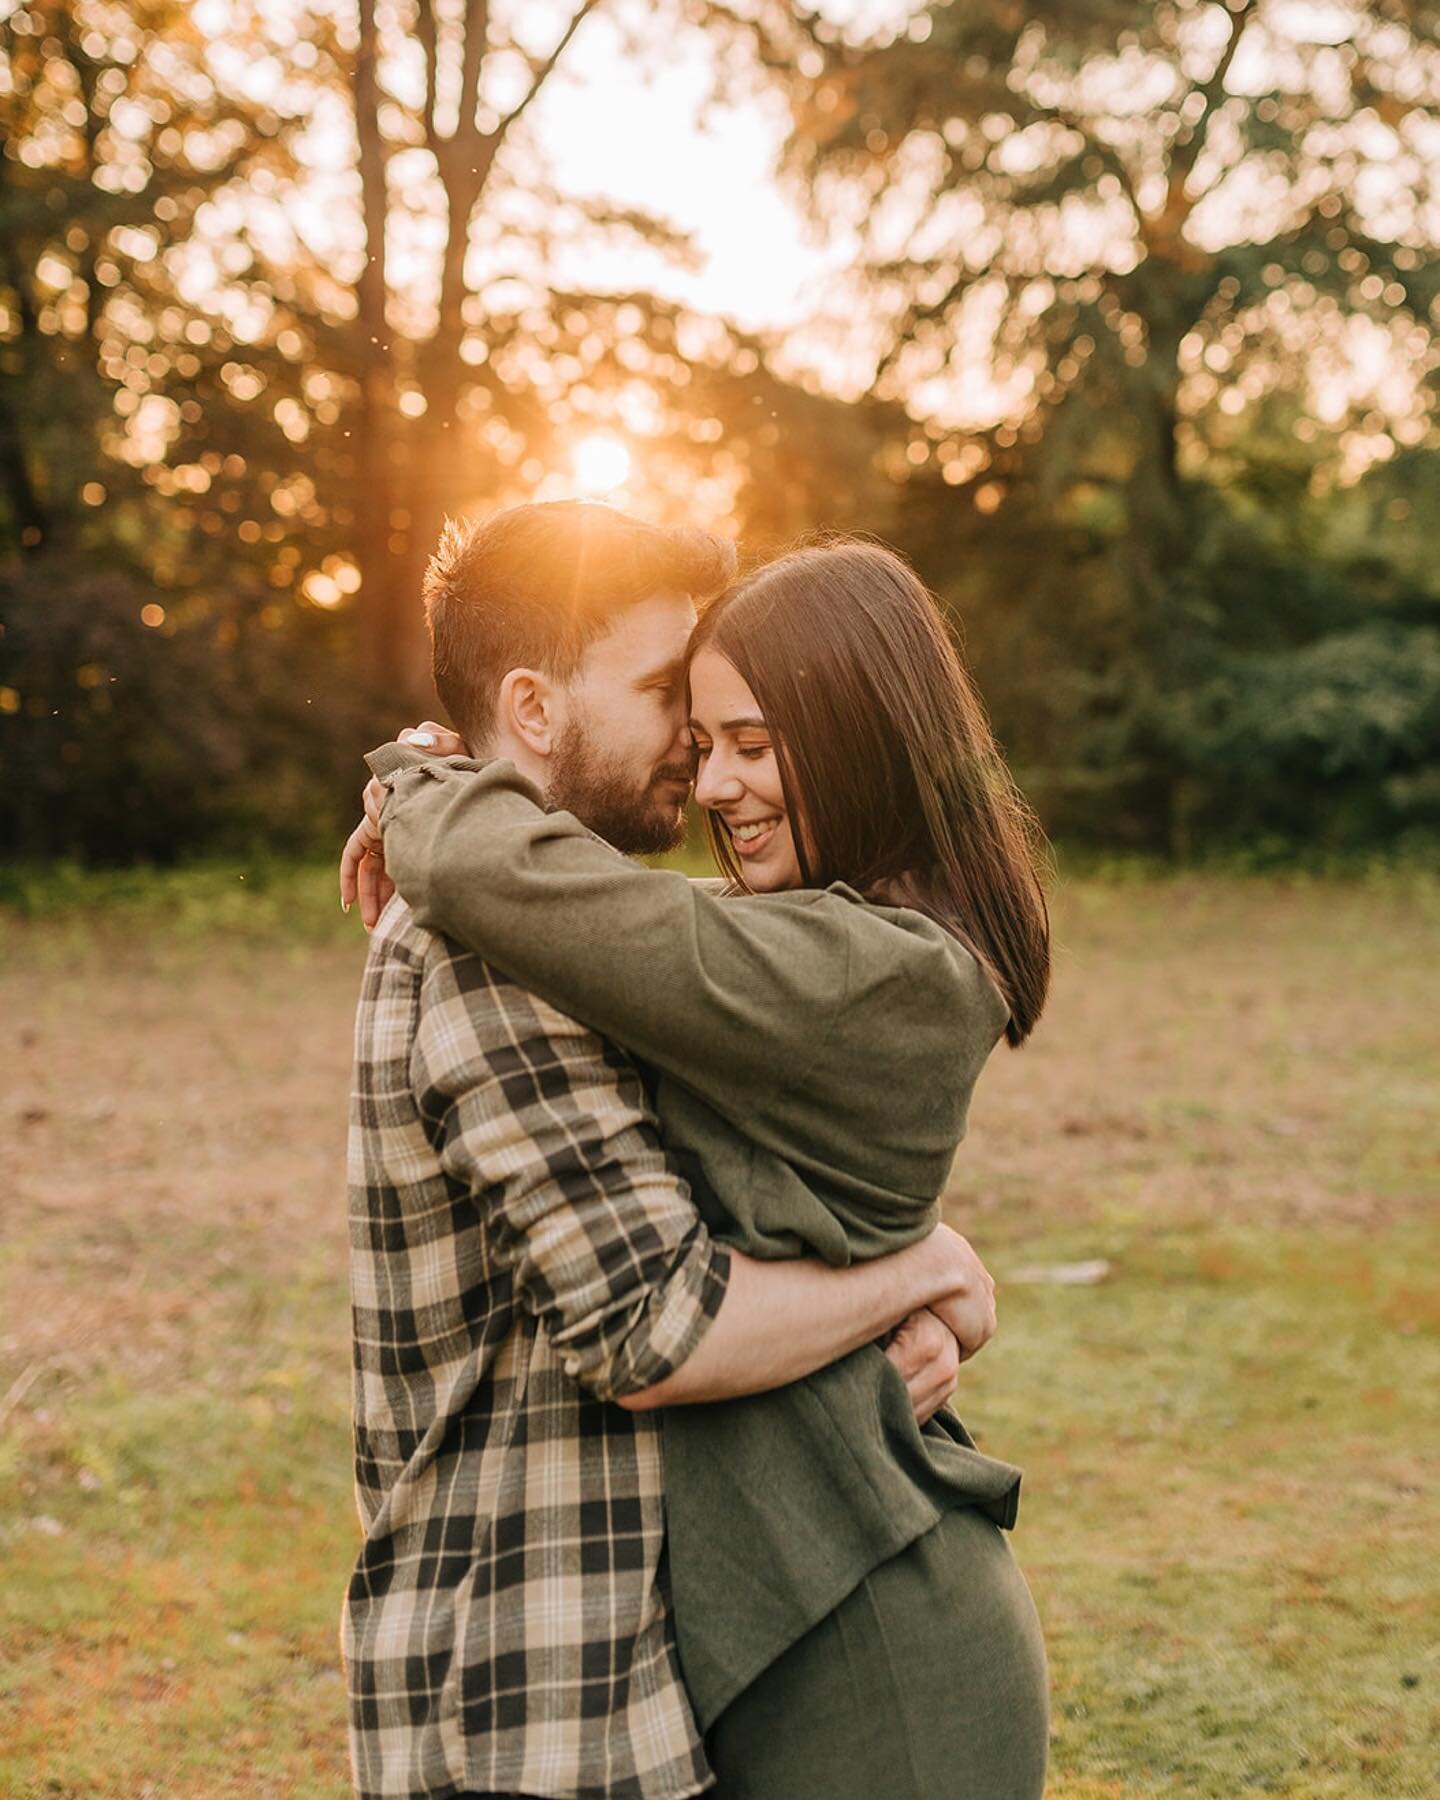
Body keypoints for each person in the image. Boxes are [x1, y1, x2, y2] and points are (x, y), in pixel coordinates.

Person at [351, 531, 1053, 1798]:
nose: (702, 765)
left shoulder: (876, 968)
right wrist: (926, 1269)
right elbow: (659, 1321)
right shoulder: (569, 945)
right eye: (676, 708)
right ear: (535, 707)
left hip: (858, 1626)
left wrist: (420, 788)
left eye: (746, 737)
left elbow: (656, 1326)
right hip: (679, 1636)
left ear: (852, 734)